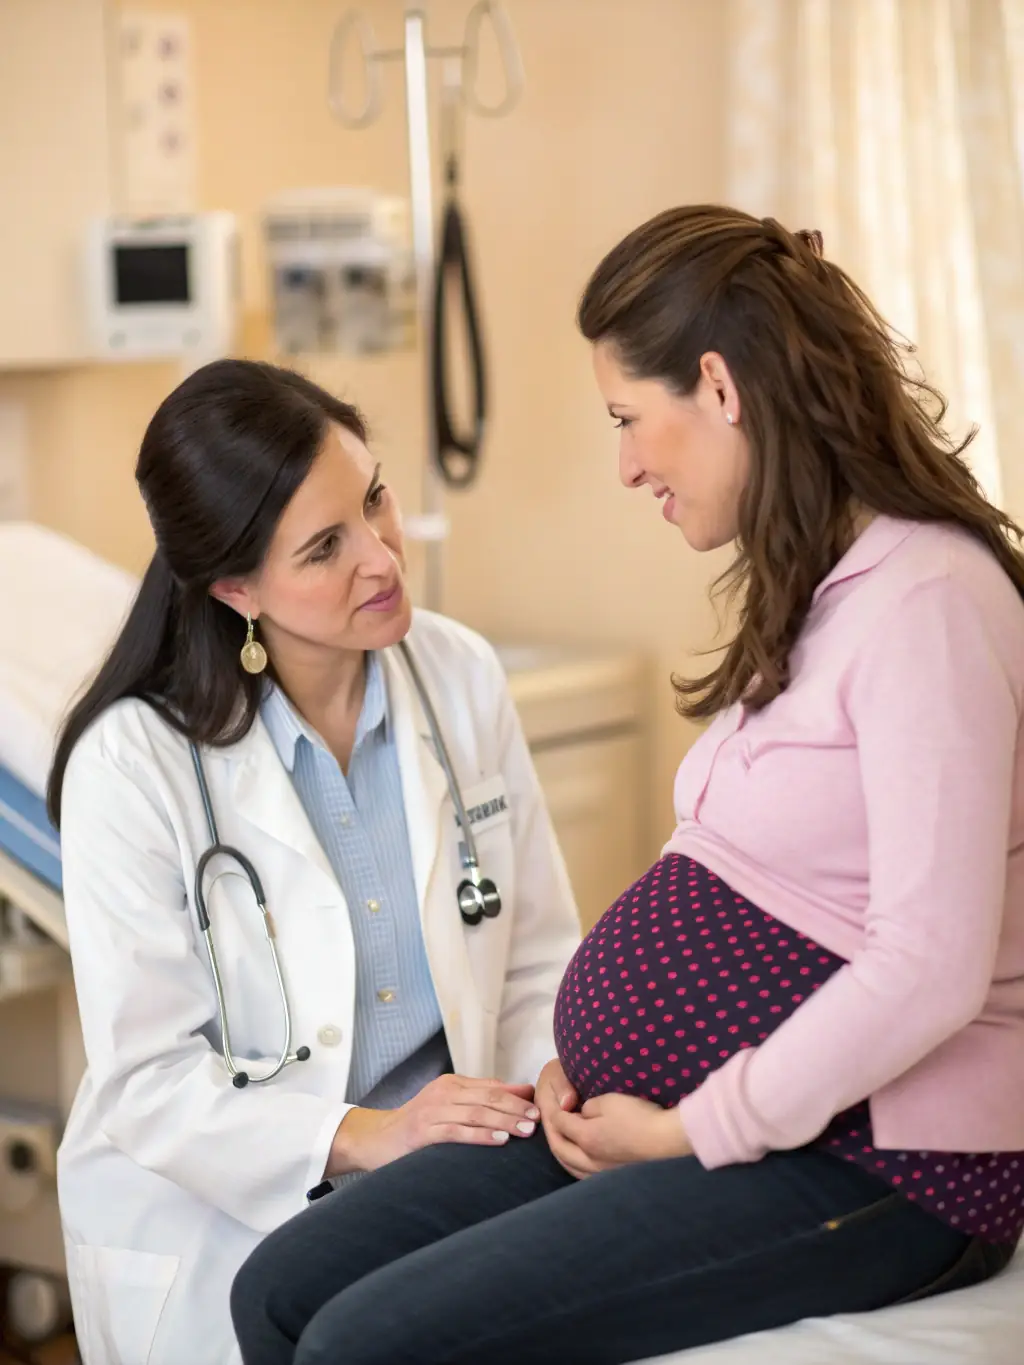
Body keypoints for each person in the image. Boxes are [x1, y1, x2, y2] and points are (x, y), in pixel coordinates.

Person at [229, 206, 1024, 1365]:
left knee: (363, 1344)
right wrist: (582, 1067)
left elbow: (928, 967)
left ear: (718, 387)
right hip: (685, 1118)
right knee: (279, 1291)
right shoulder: (820, 588)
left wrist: (691, 1128)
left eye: (626, 420)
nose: (626, 466)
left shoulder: (931, 601)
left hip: (883, 1165)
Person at [48, 359, 580, 1365]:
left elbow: (535, 957)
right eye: (325, 547)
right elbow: (150, 1081)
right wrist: (366, 1133)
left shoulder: (457, 675)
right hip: (220, 1225)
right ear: (236, 587)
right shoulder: (133, 764)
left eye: (374, 499)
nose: (381, 558)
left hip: (440, 1186)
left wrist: (547, 1077)